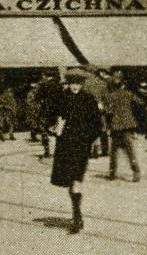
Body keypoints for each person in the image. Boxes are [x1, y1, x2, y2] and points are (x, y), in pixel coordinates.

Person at [51, 71, 102, 235]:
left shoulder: (88, 99)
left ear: (82, 84)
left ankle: (76, 216)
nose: (75, 86)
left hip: (81, 145)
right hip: (65, 145)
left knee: (76, 179)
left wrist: (89, 139)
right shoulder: (61, 97)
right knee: (70, 180)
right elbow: (54, 117)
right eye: (73, 83)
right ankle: (77, 214)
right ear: (68, 83)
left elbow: (96, 123)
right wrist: (54, 128)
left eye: (78, 83)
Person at [103, 73, 141, 182]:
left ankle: (112, 173)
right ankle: (136, 172)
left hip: (116, 127)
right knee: (130, 151)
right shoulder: (128, 94)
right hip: (127, 126)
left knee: (114, 151)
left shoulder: (110, 97)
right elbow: (139, 103)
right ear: (123, 85)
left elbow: (108, 112)